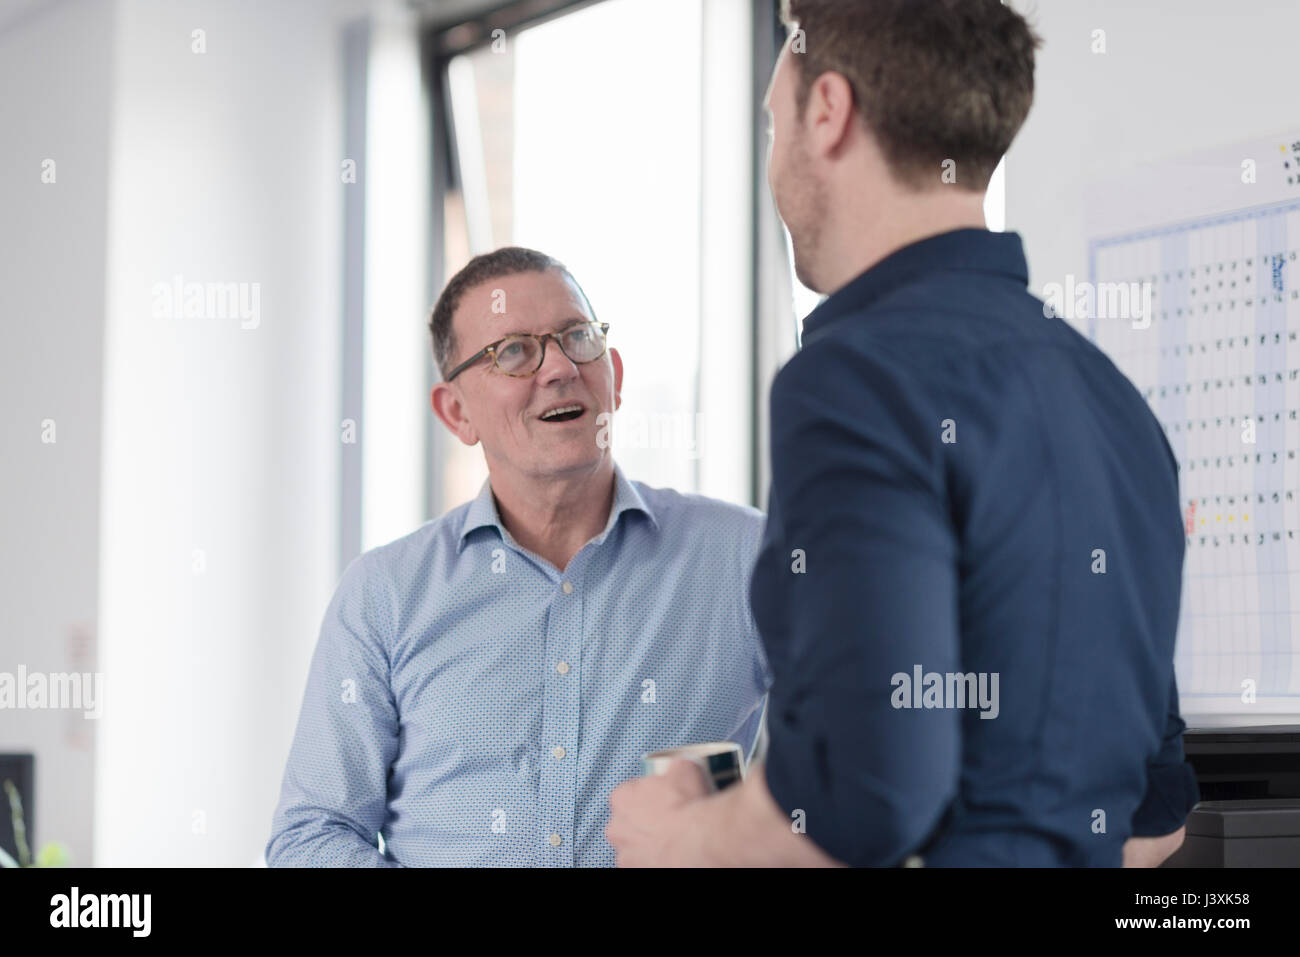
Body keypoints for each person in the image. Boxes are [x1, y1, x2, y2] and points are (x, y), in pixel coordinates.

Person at [606, 0, 1199, 867]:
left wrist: (684, 835)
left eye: (774, 123)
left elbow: (867, 798)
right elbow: (1154, 819)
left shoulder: (855, 379)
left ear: (828, 111)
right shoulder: (1110, 399)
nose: (772, 162)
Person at [266, 246, 770, 866]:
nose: (559, 367)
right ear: (457, 413)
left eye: (576, 338)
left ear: (613, 371)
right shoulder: (384, 593)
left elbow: (865, 759)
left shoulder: (747, 558)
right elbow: (313, 835)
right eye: (513, 352)